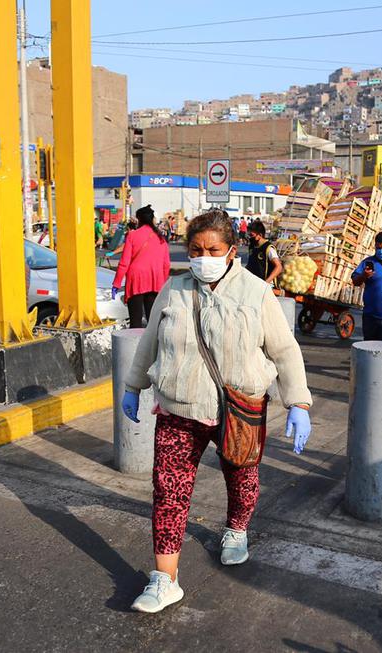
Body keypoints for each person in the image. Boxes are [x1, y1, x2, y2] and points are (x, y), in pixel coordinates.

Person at [120, 209, 313, 614]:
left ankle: (237, 530)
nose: (202, 256)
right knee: (168, 492)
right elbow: (149, 342)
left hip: (238, 410)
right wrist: (133, 386)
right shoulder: (173, 290)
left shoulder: (256, 292)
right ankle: (164, 578)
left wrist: (297, 402)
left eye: (212, 249)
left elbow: (284, 350)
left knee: (241, 478)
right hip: (178, 409)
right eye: (195, 249)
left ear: (231, 250)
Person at [112, 205, 171, 329]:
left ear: (139, 219)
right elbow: (166, 265)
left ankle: (134, 347)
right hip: (155, 280)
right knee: (153, 322)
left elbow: (124, 263)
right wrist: (163, 282)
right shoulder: (161, 237)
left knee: (135, 321)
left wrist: (116, 284)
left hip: (136, 280)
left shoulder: (132, 235)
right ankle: (152, 347)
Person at [246, 220, 283, 287]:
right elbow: (250, 264)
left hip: (266, 286)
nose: (249, 237)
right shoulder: (252, 247)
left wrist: (265, 283)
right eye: (249, 235)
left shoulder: (268, 248)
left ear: (260, 235)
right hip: (254, 283)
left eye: (251, 235)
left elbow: (279, 267)